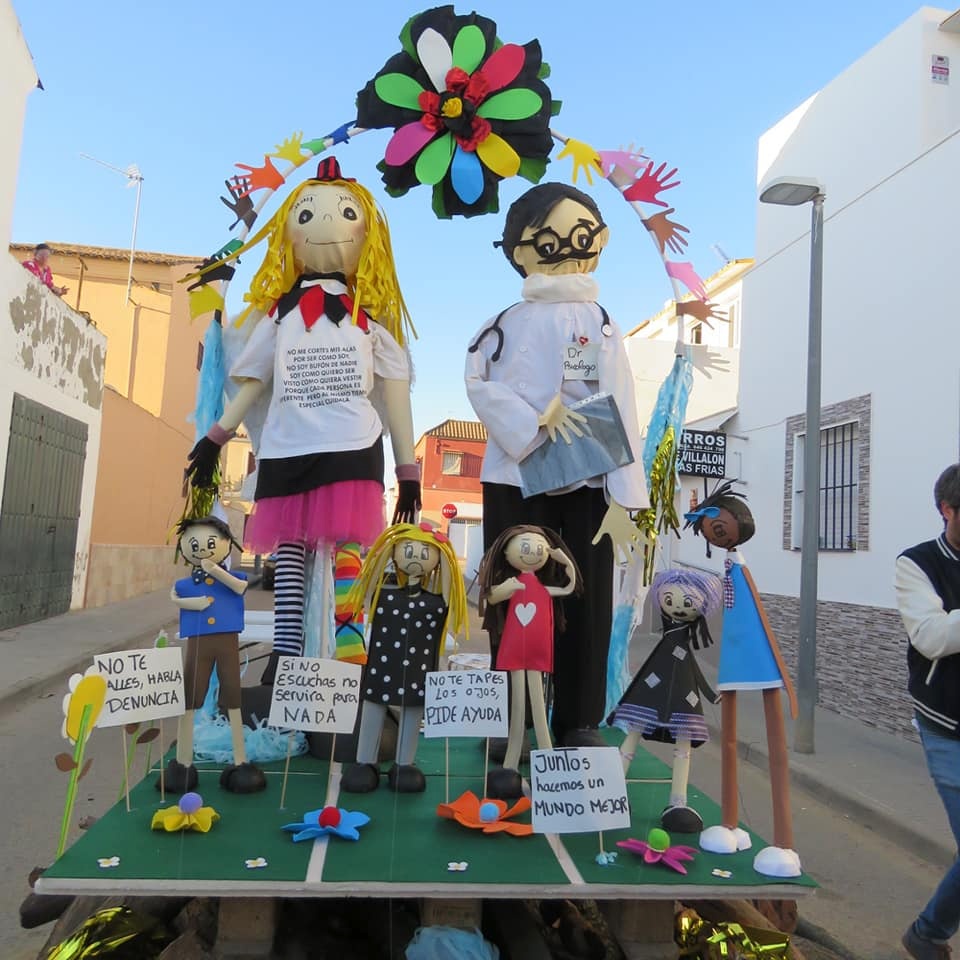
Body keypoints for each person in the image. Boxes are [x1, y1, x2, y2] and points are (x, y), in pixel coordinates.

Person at [184, 158, 420, 682]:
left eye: (345, 215)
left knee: (349, 558)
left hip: (352, 447)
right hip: (287, 448)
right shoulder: (278, 316)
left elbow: (396, 391)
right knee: (289, 559)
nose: (324, 225)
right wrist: (216, 437)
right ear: (288, 235)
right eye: (307, 215)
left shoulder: (369, 323)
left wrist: (409, 473)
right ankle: (287, 658)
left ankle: (351, 659)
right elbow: (253, 381)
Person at [464, 182, 648, 748]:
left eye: (582, 236)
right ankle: (512, 718)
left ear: (601, 240)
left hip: (586, 475)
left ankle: (577, 719)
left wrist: (625, 494)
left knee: (584, 598)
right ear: (518, 250)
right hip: (514, 475)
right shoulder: (501, 323)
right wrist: (530, 422)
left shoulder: (597, 321)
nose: (568, 248)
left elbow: (616, 399)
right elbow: (477, 382)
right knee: (510, 592)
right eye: (549, 240)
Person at [896, 463, 960, 960]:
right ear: (946, 510)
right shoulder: (916, 563)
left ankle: (927, 934)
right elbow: (931, 637)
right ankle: (927, 932)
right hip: (946, 725)